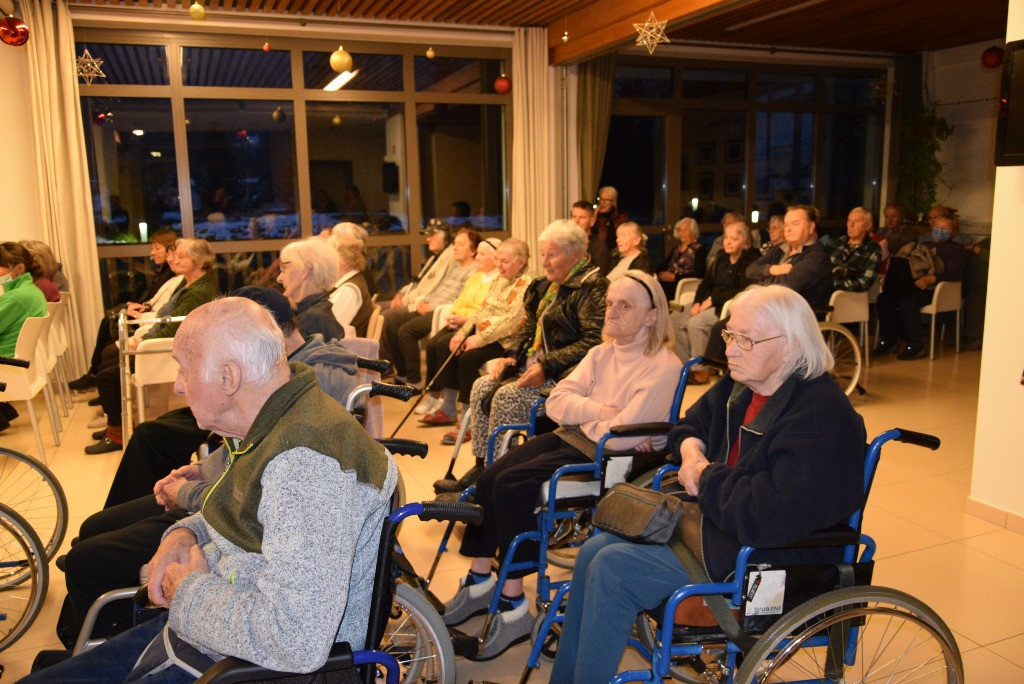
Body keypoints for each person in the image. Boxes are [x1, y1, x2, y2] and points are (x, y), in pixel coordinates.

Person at [27, 297, 397, 681]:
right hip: (212, 637)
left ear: (228, 378)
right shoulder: (274, 419)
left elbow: (294, 639)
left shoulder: (303, 466)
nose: (178, 386)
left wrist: (188, 589)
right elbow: (239, 512)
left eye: (183, 370)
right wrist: (185, 533)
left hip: (238, 666)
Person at [550, 284, 867, 682]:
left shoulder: (820, 416)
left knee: (614, 568)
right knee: (593, 549)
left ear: (790, 345)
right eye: (731, 335)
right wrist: (692, 454)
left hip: (767, 560)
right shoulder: (743, 384)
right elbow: (687, 426)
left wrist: (706, 476)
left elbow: (766, 514)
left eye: (746, 340)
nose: (731, 349)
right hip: (717, 529)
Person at [442, 271, 682, 659]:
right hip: (574, 437)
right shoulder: (602, 352)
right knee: (489, 476)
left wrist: (586, 414)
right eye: (609, 304)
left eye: (625, 306)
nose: (612, 312)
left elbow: (620, 437)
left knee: (513, 486)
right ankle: (480, 578)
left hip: (608, 459)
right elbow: (555, 403)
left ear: (652, 316)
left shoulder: (662, 366)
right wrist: (601, 411)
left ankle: (514, 604)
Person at [462, 220, 607, 491]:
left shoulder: (592, 286)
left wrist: (547, 365)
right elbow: (528, 327)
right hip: (536, 367)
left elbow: (594, 342)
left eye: (552, 254)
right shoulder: (545, 286)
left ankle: (496, 477)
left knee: (506, 396)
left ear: (575, 255)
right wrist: (511, 355)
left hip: (567, 378)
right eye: (543, 254)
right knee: (481, 387)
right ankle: (481, 466)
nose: (545, 261)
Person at [87, 238, 220, 454]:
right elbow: (166, 319)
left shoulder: (198, 291)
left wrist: (144, 340)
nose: (175, 259)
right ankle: (116, 426)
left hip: (170, 351)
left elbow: (176, 328)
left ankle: (116, 434)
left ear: (200, 261)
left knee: (107, 375)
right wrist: (145, 336)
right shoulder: (186, 283)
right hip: (160, 342)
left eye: (181, 256)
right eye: (175, 255)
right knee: (107, 366)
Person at [424, 238, 532, 455]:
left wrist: (477, 339)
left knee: (468, 358)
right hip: (485, 334)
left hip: (508, 342)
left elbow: (512, 322)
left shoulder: (528, 285)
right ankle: (449, 408)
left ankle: (471, 417)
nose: (499, 265)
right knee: (451, 347)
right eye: (498, 260)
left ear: (520, 262)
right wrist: (462, 334)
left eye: (505, 261)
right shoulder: (500, 280)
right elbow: (480, 312)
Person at [69, 229, 180, 391]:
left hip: (150, 323)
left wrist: (140, 313)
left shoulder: (173, 276)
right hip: (148, 317)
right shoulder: (164, 272)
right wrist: (142, 306)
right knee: (109, 322)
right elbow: (155, 298)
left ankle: (97, 378)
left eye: (157, 249)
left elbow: (164, 309)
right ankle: (96, 377)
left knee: (109, 332)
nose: (152, 253)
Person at [418, 237, 502, 425]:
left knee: (445, 345)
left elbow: (484, 310)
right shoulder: (475, 278)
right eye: (477, 252)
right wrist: (455, 316)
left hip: (475, 325)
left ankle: (448, 405)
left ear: (495, 257)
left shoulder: (497, 280)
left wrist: (464, 320)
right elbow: (461, 302)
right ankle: (438, 397)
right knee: (433, 345)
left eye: (482, 254)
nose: (477, 257)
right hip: (461, 322)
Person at [385, 228, 479, 385]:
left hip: (441, 312)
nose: (455, 247)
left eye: (461, 244)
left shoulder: (474, 272)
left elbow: (460, 300)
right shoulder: (454, 264)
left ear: (473, 250)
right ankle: (402, 374)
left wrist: (433, 306)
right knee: (392, 323)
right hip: (429, 306)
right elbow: (437, 285)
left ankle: (414, 381)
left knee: (406, 332)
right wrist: (423, 300)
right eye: (454, 243)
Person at [671, 220, 759, 383]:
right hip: (708, 302)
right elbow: (705, 284)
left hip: (726, 306)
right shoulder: (721, 258)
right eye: (726, 237)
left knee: (695, 323)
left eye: (734, 239)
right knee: (674, 320)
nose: (728, 242)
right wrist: (697, 303)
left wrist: (711, 300)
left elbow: (742, 290)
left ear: (745, 242)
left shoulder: (752, 259)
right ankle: (686, 367)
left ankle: (701, 372)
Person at [875, 212, 969, 360]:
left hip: (937, 289)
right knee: (884, 298)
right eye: (937, 226)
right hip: (914, 284)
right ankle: (889, 340)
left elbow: (953, 274)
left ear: (953, 231)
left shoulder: (956, 249)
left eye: (945, 228)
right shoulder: (923, 245)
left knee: (908, 300)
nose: (940, 230)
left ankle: (916, 344)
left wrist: (931, 278)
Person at [379, 222, 453, 377]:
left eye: (432, 235)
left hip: (426, 304)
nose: (428, 239)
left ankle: (392, 367)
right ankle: (397, 368)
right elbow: (418, 282)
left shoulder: (449, 256)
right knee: (379, 309)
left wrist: (405, 301)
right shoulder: (435, 257)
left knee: (387, 317)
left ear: (444, 236)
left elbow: (430, 289)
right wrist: (400, 294)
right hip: (414, 299)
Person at [0, 243, 47, 433]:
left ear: (18, 268)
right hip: (18, 363)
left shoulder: (16, 298)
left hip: (7, 366)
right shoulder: (31, 292)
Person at [277, 237, 345, 341]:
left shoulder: (311, 323)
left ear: (305, 270)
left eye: (283, 269)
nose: (279, 278)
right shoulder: (316, 314)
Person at [327, 233, 374, 337]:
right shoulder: (350, 283)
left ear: (346, 261)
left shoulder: (350, 290)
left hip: (344, 350)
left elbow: (331, 330)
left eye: (330, 256)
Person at [829, 207, 882, 293]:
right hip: (823, 292)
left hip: (848, 297)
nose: (851, 225)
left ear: (868, 226)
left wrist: (832, 284)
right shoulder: (836, 242)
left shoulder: (873, 249)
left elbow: (864, 283)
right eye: (849, 221)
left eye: (856, 221)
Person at [657, 217, 706, 300]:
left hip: (684, 286)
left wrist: (675, 277)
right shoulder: (677, 248)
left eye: (685, 230)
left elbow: (699, 273)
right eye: (680, 230)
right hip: (668, 283)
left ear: (693, 232)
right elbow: (662, 266)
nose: (681, 233)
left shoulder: (699, 249)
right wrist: (662, 273)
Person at [572, 200, 610, 276]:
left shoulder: (599, 247)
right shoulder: (567, 243)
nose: (576, 221)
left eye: (582, 217)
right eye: (574, 216)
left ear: (592, 221)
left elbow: (598, 277)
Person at [593, 186, 628, 255]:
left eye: (606, 200)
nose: (603, 202)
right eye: (601, 199)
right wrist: (594, 216)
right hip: (598, 254)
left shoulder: (620, 218)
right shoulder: (594, 217)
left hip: (617, 255)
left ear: (613, 202)